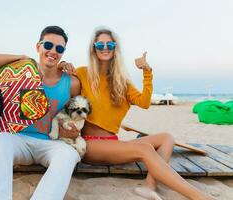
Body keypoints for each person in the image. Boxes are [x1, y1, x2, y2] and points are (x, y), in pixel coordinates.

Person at [61, 28, 214, 200]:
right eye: (100, 44)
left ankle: (149, 186)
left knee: (167, 138)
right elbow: (59, 81)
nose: (105, 47)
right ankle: (201, 197)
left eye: (110, 44)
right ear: (93, 48)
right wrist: (63, 64)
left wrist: (147, 72)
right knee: (145, 149)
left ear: (115, 48)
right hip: (89, 145)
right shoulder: (83, 73)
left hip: (112, 143)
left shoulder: (121, 81)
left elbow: (144, 102)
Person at [0, 26, 81, 200]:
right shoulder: (20, 71)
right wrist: (21, 57)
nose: (53, 51)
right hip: (18, 140)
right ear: (38, 46)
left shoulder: (72, 83)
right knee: (0, 138)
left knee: (69, 154)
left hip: (50, 144)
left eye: (59, 48)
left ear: (63, 52)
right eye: (48, 45)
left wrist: (73, 130)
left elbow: (77, 115)